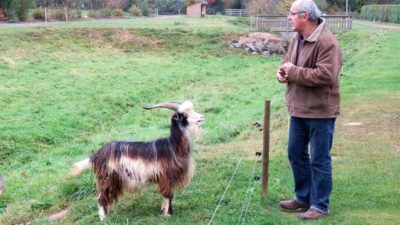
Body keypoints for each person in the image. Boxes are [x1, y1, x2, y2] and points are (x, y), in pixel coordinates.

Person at [276, 0, 342, 220]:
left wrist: (293, 72)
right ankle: (303, 197)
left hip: (320, 111)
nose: (288, 17)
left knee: (319, 159)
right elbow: (288, 63)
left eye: (292, 13)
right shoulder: (297, 38)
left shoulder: (327, 41)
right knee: (295, 154)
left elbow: (326, 75)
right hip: (298, 109)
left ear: (305, 16)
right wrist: (282, 73)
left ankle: (320, 205)